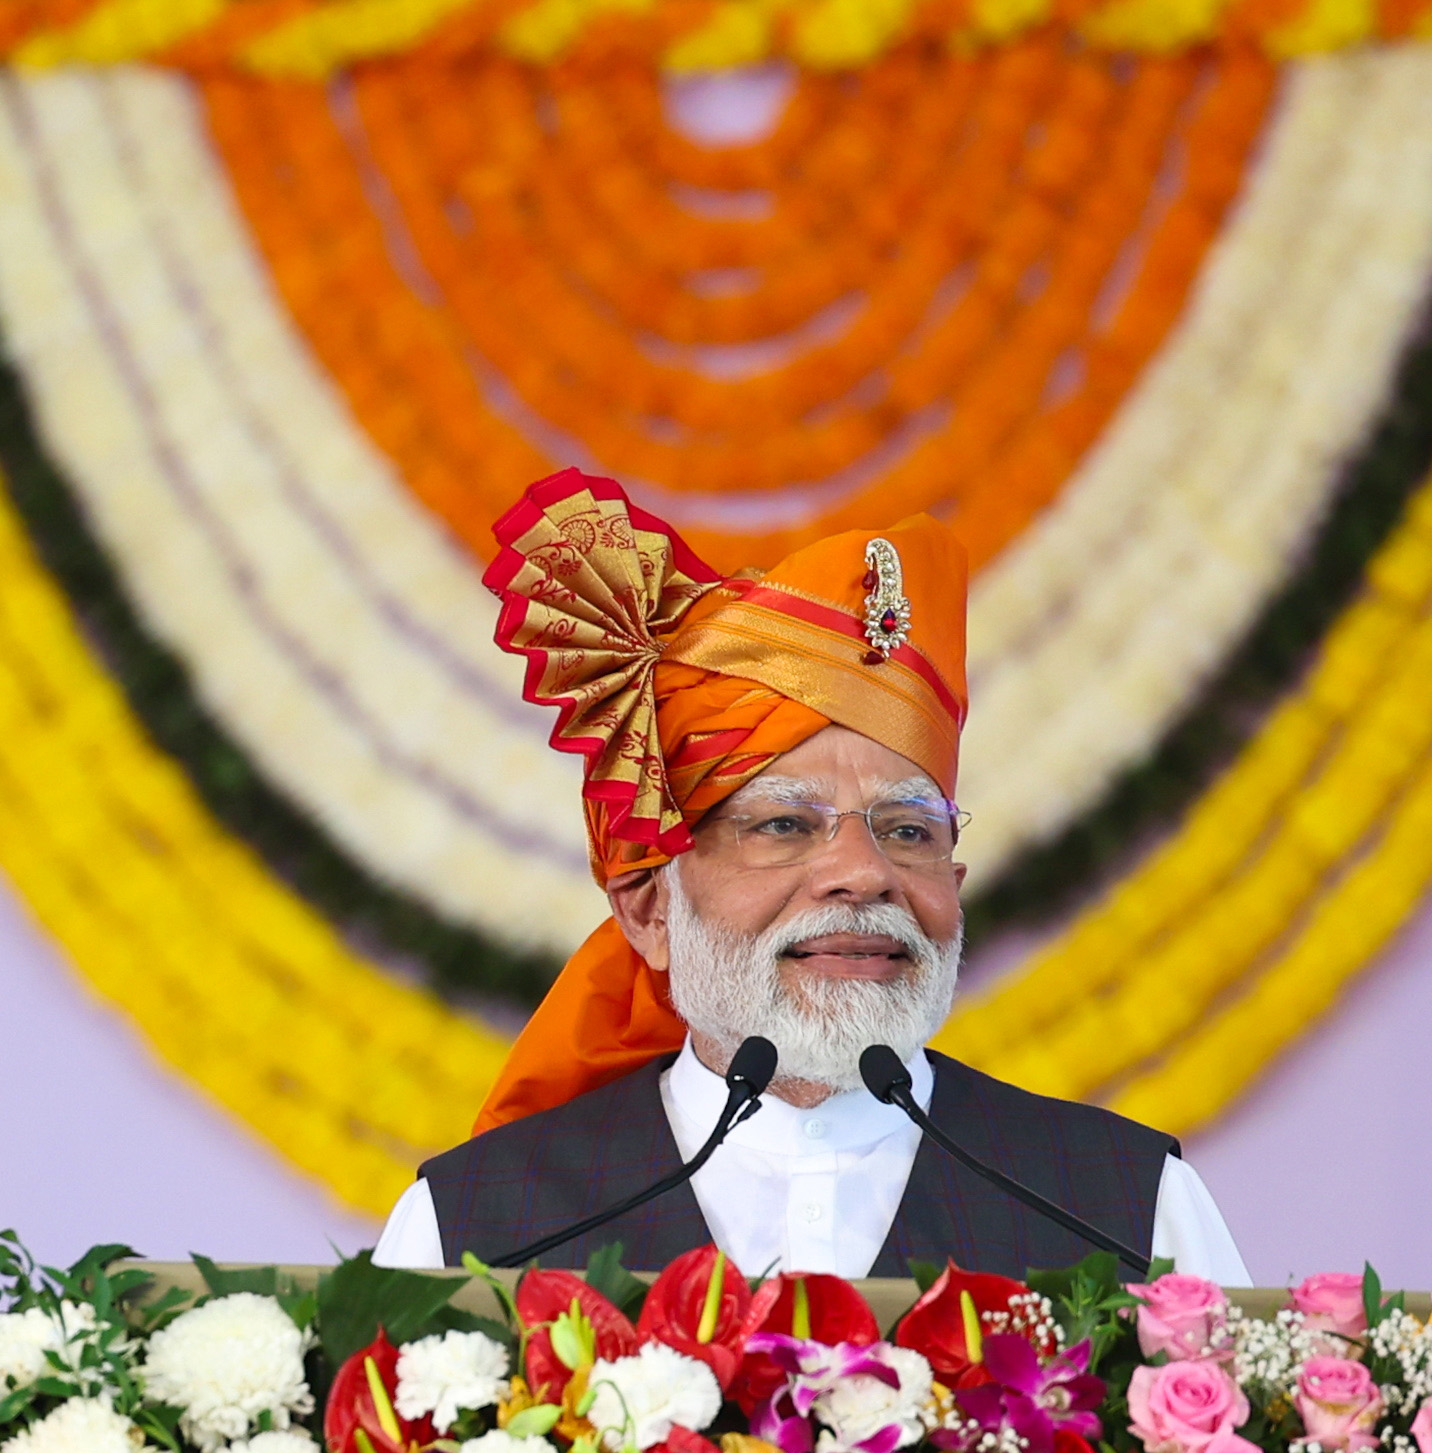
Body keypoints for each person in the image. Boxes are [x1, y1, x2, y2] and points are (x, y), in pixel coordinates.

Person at [374, 469, 1249, 1285]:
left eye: (909, 830)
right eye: (786, 826)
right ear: (649, 909)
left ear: (957, 881)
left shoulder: (1128, 1212)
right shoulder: (476, 1232)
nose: (864, 874)